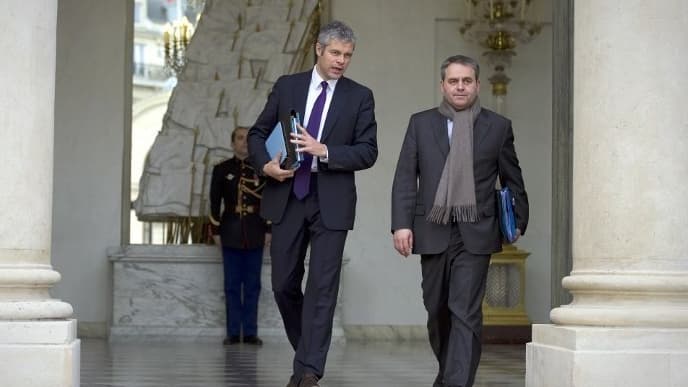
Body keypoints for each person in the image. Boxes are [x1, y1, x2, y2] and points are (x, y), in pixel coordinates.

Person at [247, 20, 377, 387]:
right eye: (335, 53)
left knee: (322, 286)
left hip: (331, 201)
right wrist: (266, 166)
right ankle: (307, 354)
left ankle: (308, 373)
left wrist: (325, 151)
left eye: (348, 56)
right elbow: (258, 134)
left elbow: (369, 151)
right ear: (319, 49)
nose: (341, 61)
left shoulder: (359, 96)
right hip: (287, 196)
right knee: (283, 284)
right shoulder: (288, 87)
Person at [391, 54, 528, 387]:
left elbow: (512, 178)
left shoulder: (498, 127)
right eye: (453, 81)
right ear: (442, 85)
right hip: (432, 229)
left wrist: (518, 221)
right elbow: (406, 177)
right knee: (437, 311)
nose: (460, 87)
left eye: (467, 81)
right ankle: (448, 373)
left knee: (464, 312)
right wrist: (401, 224)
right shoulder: (420, 124)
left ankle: (457, 382)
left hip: (476, 231)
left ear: (477, 84)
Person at [209, 126, 270, 347]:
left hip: (255, 232)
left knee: (253, 285)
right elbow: (214, 203)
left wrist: (269, 229)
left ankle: (251, 332)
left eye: (247, 139)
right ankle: (234, 333)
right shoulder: (221, 169)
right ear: (232, 143)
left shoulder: (262, 169)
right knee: (232, 285)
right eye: (240, 138)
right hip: (230, 232)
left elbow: (269, 201)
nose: (244, 142)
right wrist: (215, 230)